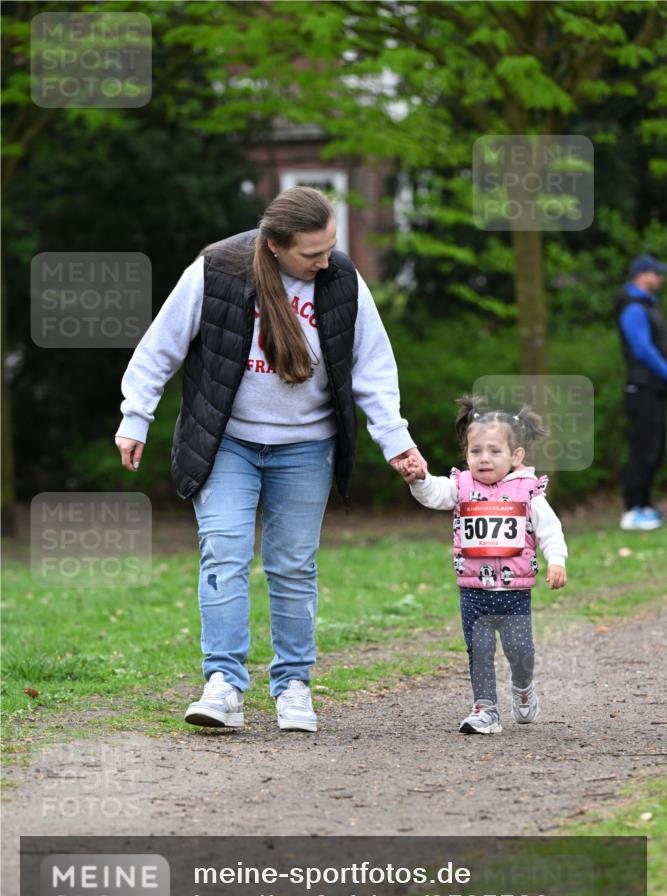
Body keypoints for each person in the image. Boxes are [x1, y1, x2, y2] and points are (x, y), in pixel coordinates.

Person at [115, 186, 426, 734]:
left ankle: (293, 685)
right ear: (276, 246)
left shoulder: (341, 280)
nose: (325, 260)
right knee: (225, 553)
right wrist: (135, 416)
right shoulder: (217, 270)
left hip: (307, 446)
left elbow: (373, 368)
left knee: (292, 566)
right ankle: (224, 684)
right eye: (312, 253)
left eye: (330, 247)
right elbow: (159, 346)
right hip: (227, 442)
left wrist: (396, 441)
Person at [399, 395, 567, 735]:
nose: (484, 459)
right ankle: (485, 708)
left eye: (494, 451)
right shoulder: (461, 487)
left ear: (516, 456)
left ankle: (522, 688)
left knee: (520, 651)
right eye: (476, 452)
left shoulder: (528, 492)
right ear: (466, 455)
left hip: (514, 592)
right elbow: (433, 494)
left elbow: (550, 530)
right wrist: (419, 478)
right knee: (480, 651)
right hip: (473, 591)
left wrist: (557, 561)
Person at [617, 254, 667, 530]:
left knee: (655, 448)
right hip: (641, 386)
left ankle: (645, 506)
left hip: (654, 387)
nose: (660, 278)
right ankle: (632, 509)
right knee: (643, 448)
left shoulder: (649, 306)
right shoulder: (634, 307)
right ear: (642, 275)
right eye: (656, 273)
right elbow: (642, 349)